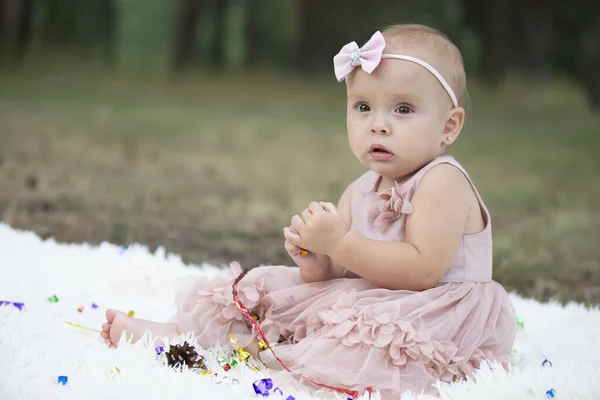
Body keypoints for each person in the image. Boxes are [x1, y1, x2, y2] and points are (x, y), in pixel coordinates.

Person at [101, 24, 517, 398]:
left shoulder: (442, 181)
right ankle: (181, 335)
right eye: (363, 107)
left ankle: (258, 352)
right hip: (372, 294)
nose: (379, 124)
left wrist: (340, 241)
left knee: (364, 344)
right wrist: (319, 262)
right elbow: (343, 272)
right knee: (269, 287)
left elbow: (422, 271)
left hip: (433, 313)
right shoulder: (361, 189)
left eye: (403, 109)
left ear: (449, 126)